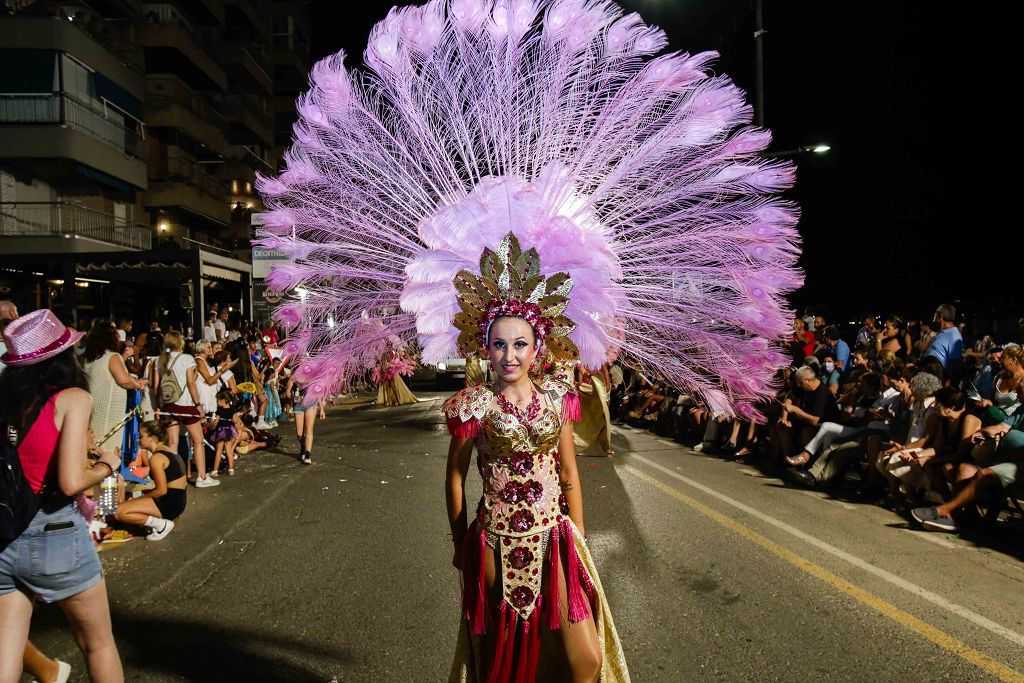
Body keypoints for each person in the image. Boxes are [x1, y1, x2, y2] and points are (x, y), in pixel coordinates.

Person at [255, 2, 808, 678]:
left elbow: (571, 474)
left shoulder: (553, 401)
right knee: (498, 664)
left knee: (579, 661)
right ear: (483, 347)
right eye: (499, 345)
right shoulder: (471, 409)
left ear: (538, 347)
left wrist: (577, 540)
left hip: (553, 543)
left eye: (520, 345)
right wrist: (464, 542)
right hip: (495, 541)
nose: (509, 355)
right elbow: (455, 480)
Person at [0, 309, 124, 682]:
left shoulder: (6, 400)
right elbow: (71, 482)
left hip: (5, 530)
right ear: (63, 355)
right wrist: (108, 465)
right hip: (53, 530)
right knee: (97, 644)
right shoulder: (71, 398)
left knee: (6, 649)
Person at [154, 331, 218, 488]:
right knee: (197, 441)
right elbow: (191, 383)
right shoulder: (187, 358)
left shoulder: (161, 359)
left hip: (168, 405)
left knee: (173, 442)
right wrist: (198, 404)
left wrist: (158, 405)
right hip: (186, 405)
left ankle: (173, 478)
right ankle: (202, 477)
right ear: (179, 342)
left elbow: (156, 385)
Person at [112, 420, 186, 540]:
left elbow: (161, 491)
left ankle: (161, 525)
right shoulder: (171, 452)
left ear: (152, 438)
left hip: (169, 503)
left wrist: (139, 498)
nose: (138, 440)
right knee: (130, 497)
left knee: (118, 512)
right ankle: (149, 522)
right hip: (178, 501)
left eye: (140, 436)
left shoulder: (156, 458)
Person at [82, 322, 149, 452]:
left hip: (92, 409)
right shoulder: (112, 356)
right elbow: (123, 380)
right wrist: (138, 385)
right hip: (108, 411)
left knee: (92, 446)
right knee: (107, 449)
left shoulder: (89, 358)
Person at [285, 376, 319, 465]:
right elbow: (287, 392)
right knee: (299, 434)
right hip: (298, 405)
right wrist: (293, 397)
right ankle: (303, 446)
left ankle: (308, 455)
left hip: (311, 403)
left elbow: (318, 391)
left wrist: (322, 409)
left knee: (309, 430)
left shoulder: (313, 375)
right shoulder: (294, 377)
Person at [924, 303, 964, 369]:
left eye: (935, 314)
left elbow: (955, 365)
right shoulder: (942, 332)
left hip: (936, 377)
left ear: (941, 317)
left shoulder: (954, 336)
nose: (934, 318)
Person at [209, 390, 239, 476]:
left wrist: (210, 425)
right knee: (229, 450)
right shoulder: (232, 409)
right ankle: (231, 469)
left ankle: (215, 471)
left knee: (219, 451)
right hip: (229, 430)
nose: (217, 402)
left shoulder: (220, 410)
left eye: (218, 401)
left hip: (220, 431)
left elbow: (215, 423)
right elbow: (235, 420)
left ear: (223, 400)